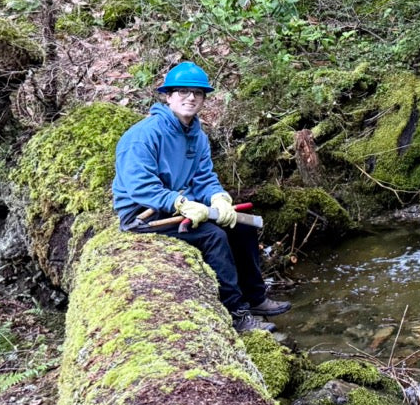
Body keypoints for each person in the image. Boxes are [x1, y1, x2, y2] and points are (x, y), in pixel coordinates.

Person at [111, 61, 290, 333]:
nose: (191, 97)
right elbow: (140, 186)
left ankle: (255, 298)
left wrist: (218, 197)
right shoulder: (143, 136)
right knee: (213, 236)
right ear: (168, 96)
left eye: (198, 93)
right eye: (182, 91)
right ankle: (236, 314)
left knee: (240, 226)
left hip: (177, 207)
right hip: (142, 215)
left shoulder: (196, 135)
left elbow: (204, 178)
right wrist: (178, 203)